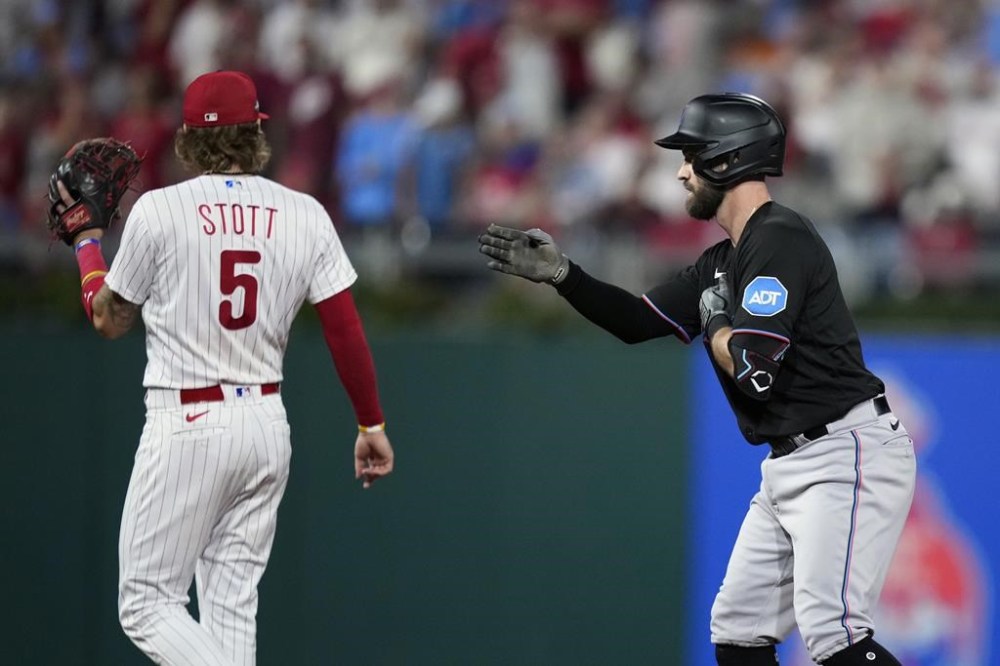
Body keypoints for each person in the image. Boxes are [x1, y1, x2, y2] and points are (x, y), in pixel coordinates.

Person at [478, 92, 916, 665]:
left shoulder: (778, 237)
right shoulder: (723, 259)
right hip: (795, 460)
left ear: (728, 160)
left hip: (844, 453)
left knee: (835, 635)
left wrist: (714, 325)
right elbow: (637, 321)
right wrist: (564, 275)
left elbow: (755, 369)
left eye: (692, 155)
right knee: (738, 630)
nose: (682, 171)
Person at [53, 70, 395, 665]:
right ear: (255, 133)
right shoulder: (305, 213)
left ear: (187, 137)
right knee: (230, 608)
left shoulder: (160, 210)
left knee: (145, 603)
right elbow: (344, 328)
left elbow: (109, 320)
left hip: (188, 420)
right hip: (265, 422)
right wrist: (371, 423)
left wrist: (86, 242)